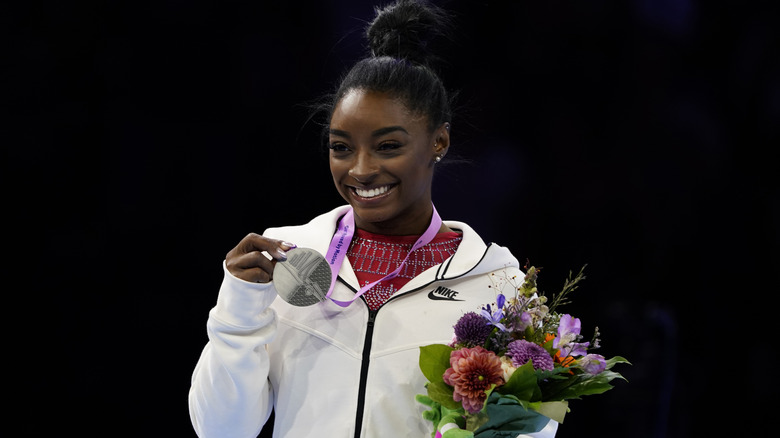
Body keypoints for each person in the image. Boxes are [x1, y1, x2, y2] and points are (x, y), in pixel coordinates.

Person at [188, 1, 558, 437]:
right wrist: (239, 308)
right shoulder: (283, 261)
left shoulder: (502, 290)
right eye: (341, 147)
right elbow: (221, 430)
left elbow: (531, 429)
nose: (360, 169)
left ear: (438, 141)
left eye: (387, 147)